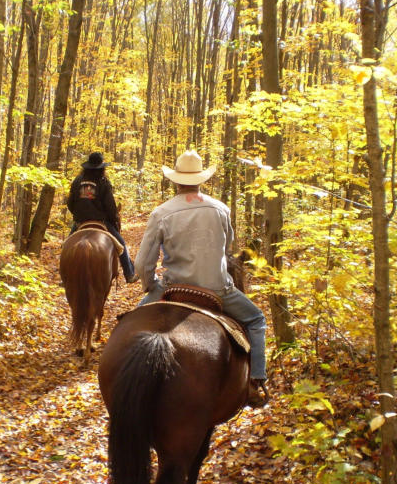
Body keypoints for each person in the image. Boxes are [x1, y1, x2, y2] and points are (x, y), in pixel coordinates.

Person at [134, 149, 268, 406]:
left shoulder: (161, 212)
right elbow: (227, 249)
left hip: (173, 287)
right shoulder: (221, 209)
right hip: (217, 289)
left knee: (130, 322)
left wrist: (151, 286)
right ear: (201, 179)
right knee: (256, 320)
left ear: (175, 180)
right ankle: (256, 382)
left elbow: (142, 263)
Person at [67, 152, 139, 284]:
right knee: (121, 245)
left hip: (80, 222)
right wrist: (113, 219)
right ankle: (129, 274)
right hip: (101, 221)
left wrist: (78, 216)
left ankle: (64, 276)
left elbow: (70, 204)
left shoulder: (77, 181)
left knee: (66, 247)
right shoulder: (104, 182)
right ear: (101, 168)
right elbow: (110, 206)